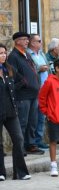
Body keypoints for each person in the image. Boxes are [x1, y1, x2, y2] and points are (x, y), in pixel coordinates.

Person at [8, 32, 43, 155]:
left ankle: (31, 144)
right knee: (22, 122)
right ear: (17, 41)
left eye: (27, 39)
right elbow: (14, 74)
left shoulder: (26, 54)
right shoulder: (13, 56)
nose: (27, 41)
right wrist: (24, 82)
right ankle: (20, 147)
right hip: (23, 95)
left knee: (32, 121)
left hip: (33, 94)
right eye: (24, 39)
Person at [0, 43, 31, 181]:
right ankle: (1, 172)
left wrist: (14, 87)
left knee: (18, 139)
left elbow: (23, 80)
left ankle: (20, 172)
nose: (3, 55)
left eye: (4, 53)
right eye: (0, 53)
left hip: (11, 111)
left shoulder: (9, 69)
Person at [27, 34, 51, 150]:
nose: (41, 43)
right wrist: (39, 69)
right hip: (36, 89)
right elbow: (28, 71)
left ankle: (39, 139)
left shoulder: (41, 54)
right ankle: (33, 142)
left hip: (45, 89)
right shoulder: (28, 55)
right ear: (32, 43)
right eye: (39, 41)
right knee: (34, 117)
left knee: (42, 116)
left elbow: (49, 70)